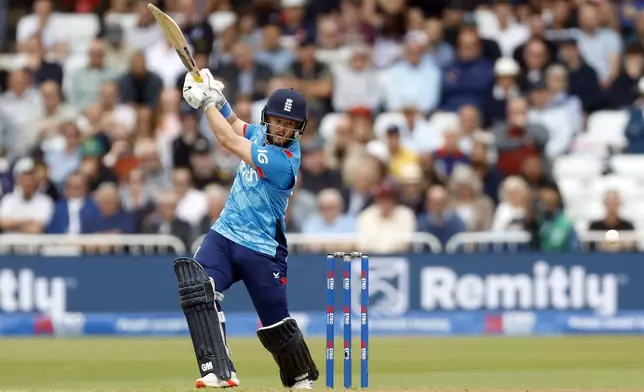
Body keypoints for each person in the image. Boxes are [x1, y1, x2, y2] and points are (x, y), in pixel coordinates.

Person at [178, 68, 318, 389]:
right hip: (225, 235)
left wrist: (205, 104)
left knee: (275, 325)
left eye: (290, 125)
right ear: (268, 118)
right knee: (199, 288)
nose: (282, 129)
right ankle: (217, 369)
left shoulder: (284, 161)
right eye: (278, 121)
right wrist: (218, 97)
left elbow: (227, 139)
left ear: (299, 130)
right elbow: (235, 125)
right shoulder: (259, 132)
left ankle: (300, 376)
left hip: (262, 249)